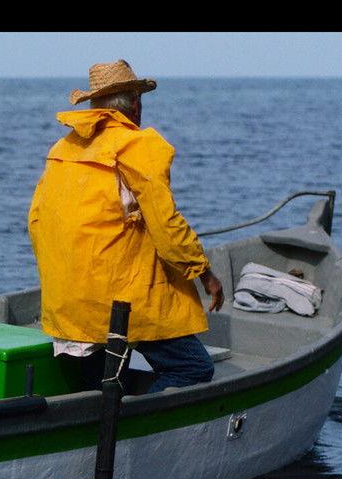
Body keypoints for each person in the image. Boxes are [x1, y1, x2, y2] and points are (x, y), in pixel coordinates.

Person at [26, 60, 225, 394]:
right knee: (192, 368)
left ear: (95, 104)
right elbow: (168, 228)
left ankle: (99, 422)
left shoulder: (64, 148)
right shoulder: (138, 145)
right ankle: (138, 425)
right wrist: (205, 273)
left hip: (69, 301)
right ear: (135, 103)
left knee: (97, 381)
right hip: (122, 301)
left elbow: (36, 221)